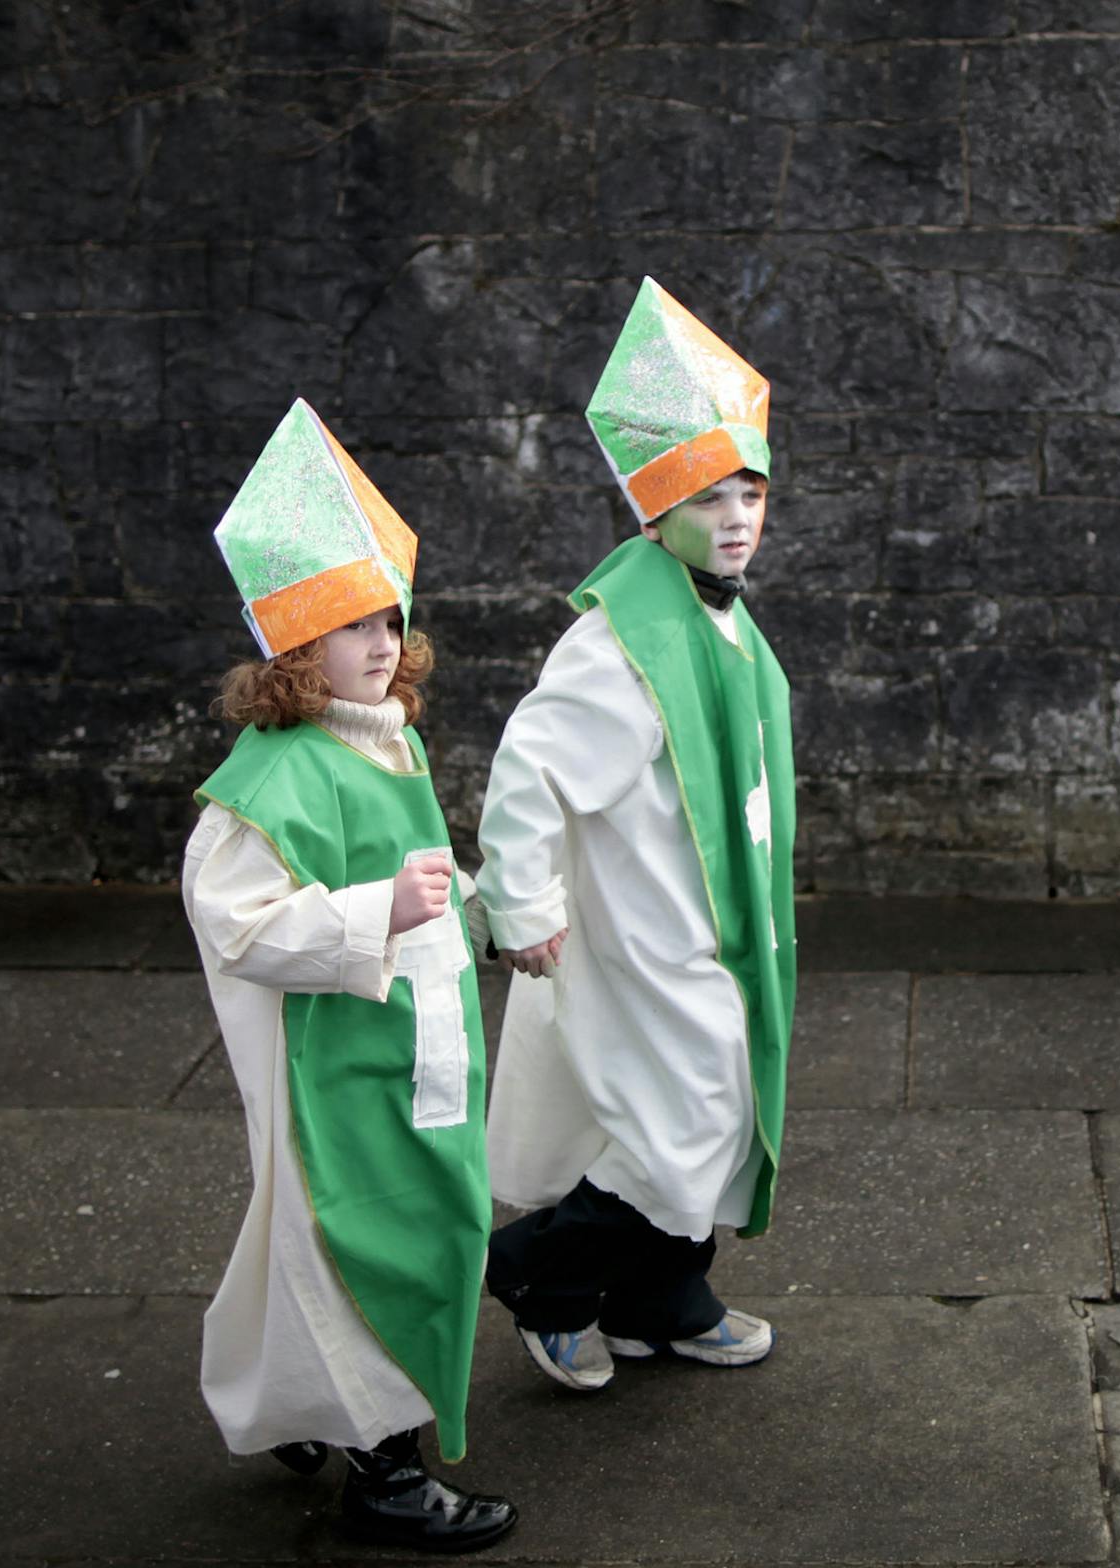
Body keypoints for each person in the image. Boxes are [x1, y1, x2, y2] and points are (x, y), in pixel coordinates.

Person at [182, 398, 516, 1554]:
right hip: (346, 1060)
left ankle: (301, 1404)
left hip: (411, 1040)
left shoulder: (383, 731)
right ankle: (386, 1470)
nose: (382, 643)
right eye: (351, 625)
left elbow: (411, 861)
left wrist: (465, 908)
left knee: (372, 1232)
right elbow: (236, 920)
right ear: (294, 648)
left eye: (390, 618)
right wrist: (381, 910)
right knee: (375, 1238)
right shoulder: (275, 776)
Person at [476, 276, 797, 1394]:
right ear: (658, 512)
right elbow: (533, 766)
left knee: (722, 1111)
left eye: (752, 492)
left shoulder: (726, 623)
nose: (739, 517)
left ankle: (664, 1298)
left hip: (713, 925)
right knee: (684, 1123)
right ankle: (542, 1276)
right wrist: (518, 906)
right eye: (713, 497)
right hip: (642, 931)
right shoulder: (623, 641)